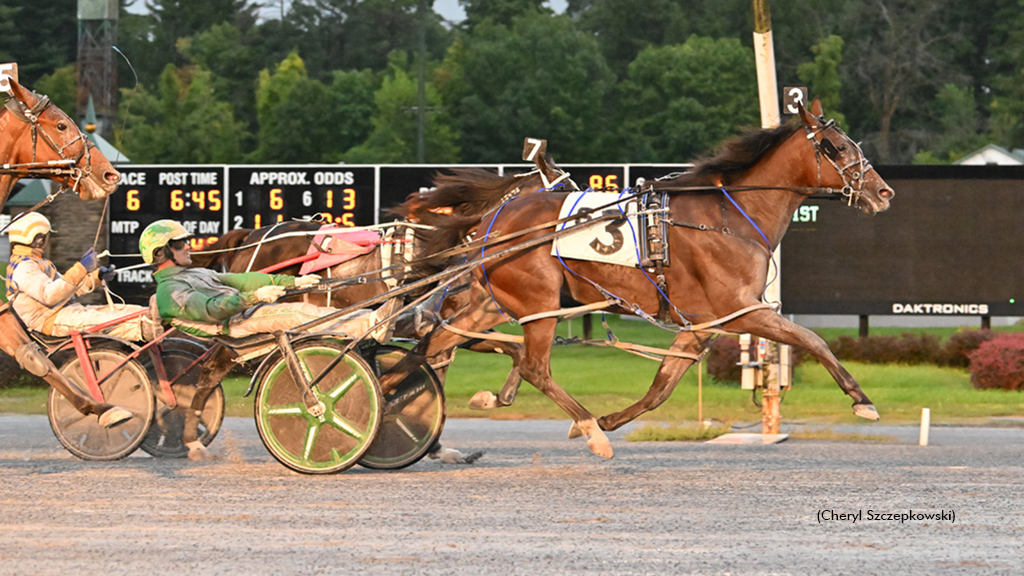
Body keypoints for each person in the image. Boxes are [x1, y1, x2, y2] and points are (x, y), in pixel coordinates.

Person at [138, 219, 386, 339]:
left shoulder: (195, 274)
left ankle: (390, 321)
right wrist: (254, 298)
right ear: (161, 252)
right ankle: (371, 325)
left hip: (245, 311)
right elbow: (212, 310)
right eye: (181, 244)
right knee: (299, 313)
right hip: (233, 323)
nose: (189, 247)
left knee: (298, 308)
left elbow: (243, 280)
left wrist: (292, 283)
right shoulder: (169, 291)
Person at [5, 213, 158, 342]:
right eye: (44, 236)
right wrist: (81, 268)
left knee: (126, 311)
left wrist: (96, 277)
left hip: (64, 312)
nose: (46, 240)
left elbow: (67, 289)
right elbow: (50, 296)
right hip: (50, 321)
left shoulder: (37, 262)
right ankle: (146, 329)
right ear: (36, 238)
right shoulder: (24, 267)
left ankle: (151, 318)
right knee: (107, 320)